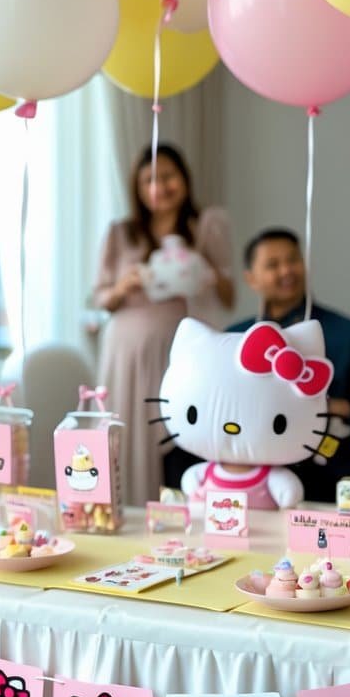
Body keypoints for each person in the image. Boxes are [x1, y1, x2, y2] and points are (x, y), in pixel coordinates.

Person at [93, 144, 234, 506]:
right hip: (126, 354)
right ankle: (125, 506)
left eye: (169, 176)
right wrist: (123, 286)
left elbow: (229, 296)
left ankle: (180, 509)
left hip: (180, 351)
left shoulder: (205, 226)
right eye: (149, 180)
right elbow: (101, 297)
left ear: (184, 179)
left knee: (181, 430)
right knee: (128, 431)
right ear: (137, 187)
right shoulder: (121, 232)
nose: (160, 186)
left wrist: (203, 270)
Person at [227, 228, 350, 503]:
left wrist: (339, 407)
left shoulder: (347, 333)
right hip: (255, 483)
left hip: (332, 481)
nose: (286, 270)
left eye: (293, 260)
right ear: (251, 278)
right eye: (273, 265)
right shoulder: (234, 338)